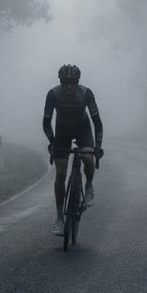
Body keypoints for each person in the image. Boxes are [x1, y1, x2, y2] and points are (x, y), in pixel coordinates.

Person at [43, 63, 104, 236]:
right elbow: (46, 121)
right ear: (60, 82)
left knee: (87, 157)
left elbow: (97, 122)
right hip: (62, 132)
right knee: (60, 173)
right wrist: (52, 141)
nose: (69, 86)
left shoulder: (86, 93)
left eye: (73, 82)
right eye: (65, 82)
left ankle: (89, 184)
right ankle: (59, 218)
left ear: (78, 82)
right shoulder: (53, 94)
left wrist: (97, 147)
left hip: (82, 129)